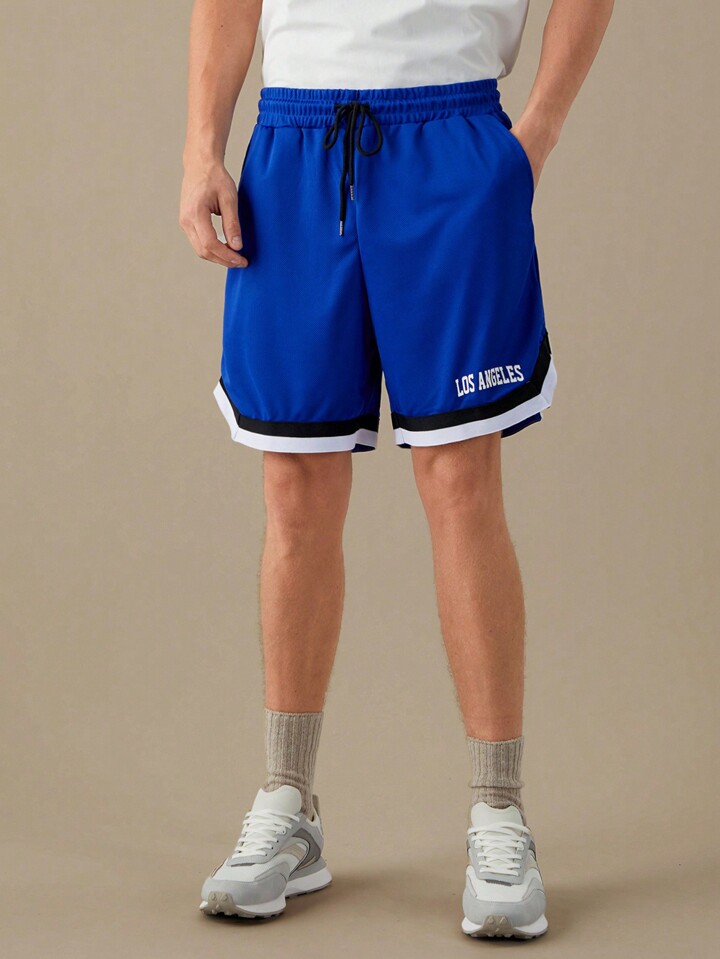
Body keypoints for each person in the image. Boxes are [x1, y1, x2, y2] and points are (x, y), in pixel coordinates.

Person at [180, 0, 613, 939]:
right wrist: (201, 146)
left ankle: (500, 813)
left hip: (450, 134)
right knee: (295, 484)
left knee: (459, 480)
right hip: (294, 141)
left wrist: (536, 130)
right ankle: (288, 804)